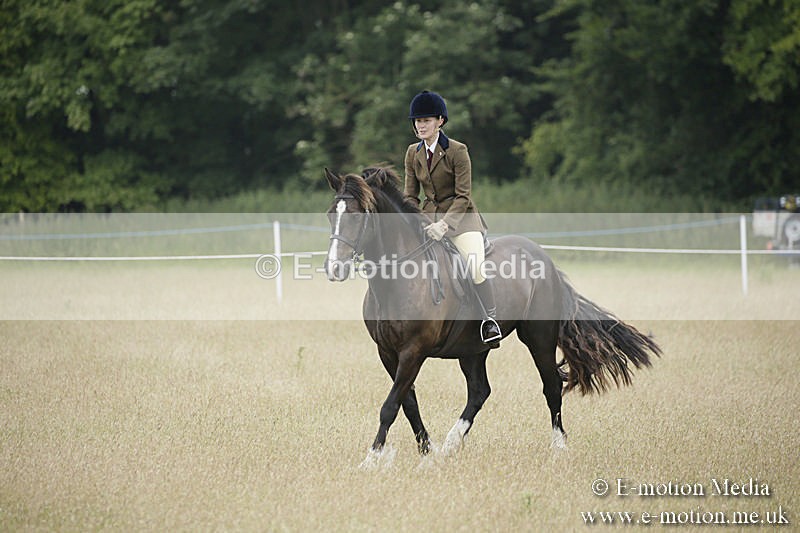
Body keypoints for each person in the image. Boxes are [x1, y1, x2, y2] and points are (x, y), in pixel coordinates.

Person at [402, 90, 502, 344]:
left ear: (440, 121)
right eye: (417, 121)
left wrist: (445, 225)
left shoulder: (457, 150)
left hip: (462, 221)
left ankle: (489, 320)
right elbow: (410, 196)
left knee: (474, 265)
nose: (420, 125)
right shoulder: (412, 153)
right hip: (427, 221)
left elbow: (463, 196)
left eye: (426, 120)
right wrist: (416, 221)